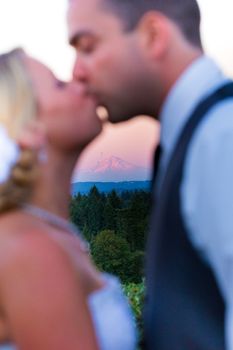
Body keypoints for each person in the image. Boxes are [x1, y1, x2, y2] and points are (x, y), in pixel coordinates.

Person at [67, 0, 233, 349]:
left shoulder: (221, 138)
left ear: (153, 35)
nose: (77, 73)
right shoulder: (196, 137)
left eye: (88, 47)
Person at [0, 48, 137, 350]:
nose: (78, 81)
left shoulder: (47, 231)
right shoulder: (32, 249)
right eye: (60, 85)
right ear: (29, 129)